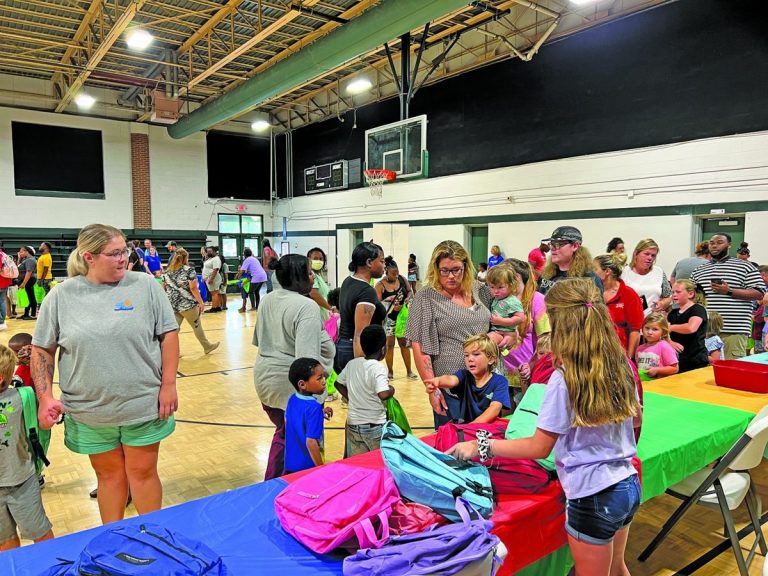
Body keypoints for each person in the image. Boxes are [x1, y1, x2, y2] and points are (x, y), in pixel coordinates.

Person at [446, 278, 641, 576]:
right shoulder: (622, 364)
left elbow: (539, 447)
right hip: (627, 483)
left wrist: (481, 446)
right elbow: (637, 419)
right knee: (617, 568)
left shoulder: (566, 378)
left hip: (592, 493)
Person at [32, 223, 179, 525]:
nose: (124, 258)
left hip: (143, 405)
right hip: (90, 412)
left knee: (143, 472)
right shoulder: (61, 297)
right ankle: (113, 542)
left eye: (125, 250)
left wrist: (168, 384)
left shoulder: (146, 286)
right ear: (89, 257)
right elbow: (42, 349)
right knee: (109, 477)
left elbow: (169, 334)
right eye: (114, 253)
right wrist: (44, 396)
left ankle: (153, 537)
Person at [252, 254, 335, 480]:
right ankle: (281, 485)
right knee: (294, 438)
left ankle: (281, 483)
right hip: (291, 385)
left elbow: (259, 340)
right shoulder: (306, 306)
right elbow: (306, 361)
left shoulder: (268, 298)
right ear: (299, 277)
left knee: (286, 433)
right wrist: (314, 401)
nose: (313, 277)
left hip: (265, 379)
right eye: (309, 272)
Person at [406, 240, 491, 427]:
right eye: (444, 270)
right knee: (454, 446)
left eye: (456, 270)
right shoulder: (426, 297)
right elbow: (419, 346)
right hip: (451, 387)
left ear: (466, 267)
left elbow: (498, 323)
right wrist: (432, 390)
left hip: (486, 383)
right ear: (436, 269)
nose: (451, 276)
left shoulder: (479, 290)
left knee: (485, 444)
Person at [0, 344, 54, 551]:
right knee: (5, 541)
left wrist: (29, 361)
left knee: (39, 533)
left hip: (22, 481)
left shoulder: (21, 398)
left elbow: (36, 386)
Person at [690, 233, 766, 359]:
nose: (714, 246)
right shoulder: (699, 270)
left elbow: (759, 293)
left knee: (731, 371)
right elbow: (691, 297)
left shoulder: (745, 267)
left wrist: (729, 291)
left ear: (729, 245)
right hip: (704, 331)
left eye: (720, 242)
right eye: (712, 243)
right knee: (703, 372)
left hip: (734, 330)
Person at [335, 325, 394, 457]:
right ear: (383, 348)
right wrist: (392, 390)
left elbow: (338, 383)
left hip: (353, 425)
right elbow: (383, 394)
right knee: (379, 464)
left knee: (360, 465)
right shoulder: (378, 367)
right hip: (375, 427)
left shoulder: (352, 364)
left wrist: (352, 398)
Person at [425, 334, 510, 423]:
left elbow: (494, 408)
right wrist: (438, 381)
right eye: (466, 355)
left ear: (491, 360)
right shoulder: (464, 375)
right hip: (466, 429)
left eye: (476, 354)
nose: (470, 359)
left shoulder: (500, 381)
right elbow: (451, 380)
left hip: (487, 432)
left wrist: (472, 426)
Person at [335, 242, 387, 374]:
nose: (384, 266)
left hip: (343, 346)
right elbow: (359, 334)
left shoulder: (348, 281)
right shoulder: (366, 291)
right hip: (354, 350)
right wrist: (361, 366)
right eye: (381, 261)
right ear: (369, 262)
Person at [162, 248, 219, 355]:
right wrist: (201, 302)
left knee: (174, 330)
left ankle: (170, 351)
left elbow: (163, 287)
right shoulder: (189, 270)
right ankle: (207, 346)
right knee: (196, 326)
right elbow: (193, 288)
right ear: (185, 258)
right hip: (188, 305)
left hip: (173, 305)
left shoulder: (167, 271)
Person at [284, 358, 333, 474]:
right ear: (302, 384)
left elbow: (295, 419)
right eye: (319, 378)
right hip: (307, 467)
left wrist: (320, 414)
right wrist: (320, 468)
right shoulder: (314, 407)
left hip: (290, 462)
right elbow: (311, 441)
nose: (324, 381)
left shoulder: (292, 399)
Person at [593, 254, 644, 358]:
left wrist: (629, 358)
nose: (590, 273)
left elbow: (635, 330)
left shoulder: (629, 294)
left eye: (594, 269)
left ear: (607, 271)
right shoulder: (591, 292)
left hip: (619, 354)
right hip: (595, 352)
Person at [375, 256, 416, 380]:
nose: (396, 276)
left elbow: (409, 291)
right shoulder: (380, 285)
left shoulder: (402, 279)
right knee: (390, 345)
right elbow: (377, 304)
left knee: (404, 344)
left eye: (397, 273)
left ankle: (409, 371)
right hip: (389, 318)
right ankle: (390, 371)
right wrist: (389, 302)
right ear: (386, 271)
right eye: (393, 274)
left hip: (402, 317)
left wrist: (408, 298)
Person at [538, 226, 603, 295]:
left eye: (559, 244)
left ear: (575, 246)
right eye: (552, 244)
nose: (553, 248)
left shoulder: (589, 279)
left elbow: (596, 305)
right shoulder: (547, 274)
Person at [622, 239, 672, 317]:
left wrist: (662, 304)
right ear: (636, 253)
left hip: (652, 321)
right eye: (646, 254)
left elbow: (669, 297)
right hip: (628, 320)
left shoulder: (659, 272)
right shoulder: (623, 272)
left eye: (653, 255)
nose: (650, 258)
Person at [668, 280, 709, 372]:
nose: (674, 295)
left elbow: (691, 328)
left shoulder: (698, 309)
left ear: (690, 294)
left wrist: (671, 327)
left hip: (695, 359)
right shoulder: (673, 313)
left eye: (678, 292)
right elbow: (663, 332)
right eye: (673, 292)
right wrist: (669, 342)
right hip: (677, 359)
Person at [485, 265, 526, 351]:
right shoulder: (496, 298)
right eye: (492, 287)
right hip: (496, 330)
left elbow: (521, 318)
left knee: (485, 342)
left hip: (505, 332)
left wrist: (501, 321)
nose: (496, 291)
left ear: (511, 285)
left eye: (500, 287)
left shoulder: (512, 301)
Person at [635, 313, 679, 379]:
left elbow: (675, 368)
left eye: (655, 329)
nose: (649, 332)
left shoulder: (664, 346)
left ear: (663, 332)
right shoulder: (639, 349)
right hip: (644, 385)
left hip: (660, 386)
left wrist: (657, 370)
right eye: (647, 328)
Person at [236, 247, 268, 313]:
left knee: (251, 292)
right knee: (256, 292)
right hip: (263, 276)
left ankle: (253, 307)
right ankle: (257, 307)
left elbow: (242, 271)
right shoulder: (254, 258)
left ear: (244, 254)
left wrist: (238, 278)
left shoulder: (247, 260)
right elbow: (252, 269)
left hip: (257, 277)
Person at [307, 248, 333, 320]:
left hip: (324, 314)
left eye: (321, 259)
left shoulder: (318, 275)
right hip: (319, 315)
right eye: (315, 259)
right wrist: (330, 308)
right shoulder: (311, 274)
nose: (318, 261)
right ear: (309, 260)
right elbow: (313, 293)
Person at [17, 246, 37, 320]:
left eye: (21, 252)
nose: (20, 253)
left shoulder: (30, 260)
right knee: (27, 297)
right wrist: (19, 258)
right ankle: (26, 314)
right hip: (26, 280)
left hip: (29, 280)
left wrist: (24, 283)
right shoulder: (26, 259)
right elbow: (17, 267)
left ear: (26, 251)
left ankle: (33, 315)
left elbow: (29, 272)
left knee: (31, 297)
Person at [202, 246, 223, 313]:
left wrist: (211, 279)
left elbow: (215, 269)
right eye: (207, 251)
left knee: (214, 293)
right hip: (210, 278)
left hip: (213, 278)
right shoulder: (211, 258)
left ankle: (214, 308)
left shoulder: (216, 259)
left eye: (210, 251)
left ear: (214, 251)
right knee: (215, 293)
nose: (208, 253)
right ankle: (218, 306)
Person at [0, 241, 11, 331]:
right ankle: (2, 321)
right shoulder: (4, 255)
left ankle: (1, 321)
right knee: (2, 301)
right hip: (5, 281)